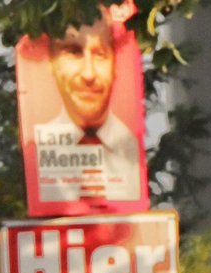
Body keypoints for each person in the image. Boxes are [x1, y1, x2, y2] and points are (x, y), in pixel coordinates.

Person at [37, 13, 142, 202]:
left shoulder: (132, 149)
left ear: (115, 65)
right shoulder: (38, 151)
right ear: (51, 62)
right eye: (74, 52)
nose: (88, 73)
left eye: (100, 54)